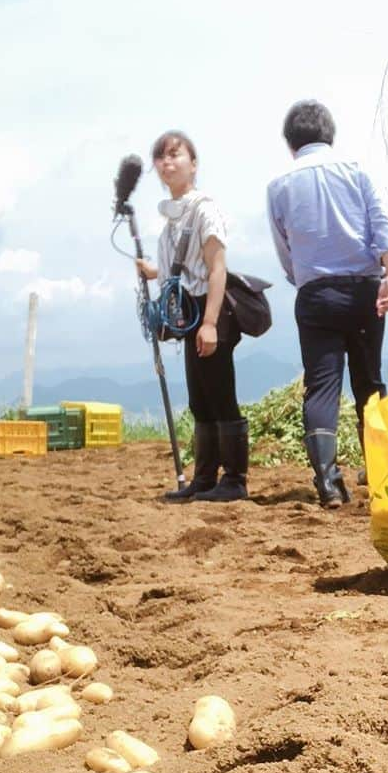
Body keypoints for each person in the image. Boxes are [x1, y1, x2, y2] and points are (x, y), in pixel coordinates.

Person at [267, 100, 388, 507]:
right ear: (330, 135)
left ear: (290, 143)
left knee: (321, 387)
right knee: (369, 382)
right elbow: (383, 223)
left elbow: (283, 246)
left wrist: (302, 278)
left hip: (316, 295)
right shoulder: (356, 170)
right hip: (364, 290)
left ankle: (328, 483)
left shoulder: (279, 184)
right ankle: (380, 473)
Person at [137, 130, 249, 503]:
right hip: (188, 311)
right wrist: (154, 272)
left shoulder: (204, 209)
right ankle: (204, 479)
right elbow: (182, 269)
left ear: (193, 163)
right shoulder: (171, 217)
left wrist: (211, 323)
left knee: (220, 394)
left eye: (175, 154)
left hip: (208, 310)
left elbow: (217, 269)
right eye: (160, 157)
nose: (167, 162)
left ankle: (234, 480)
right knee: (200, 398)